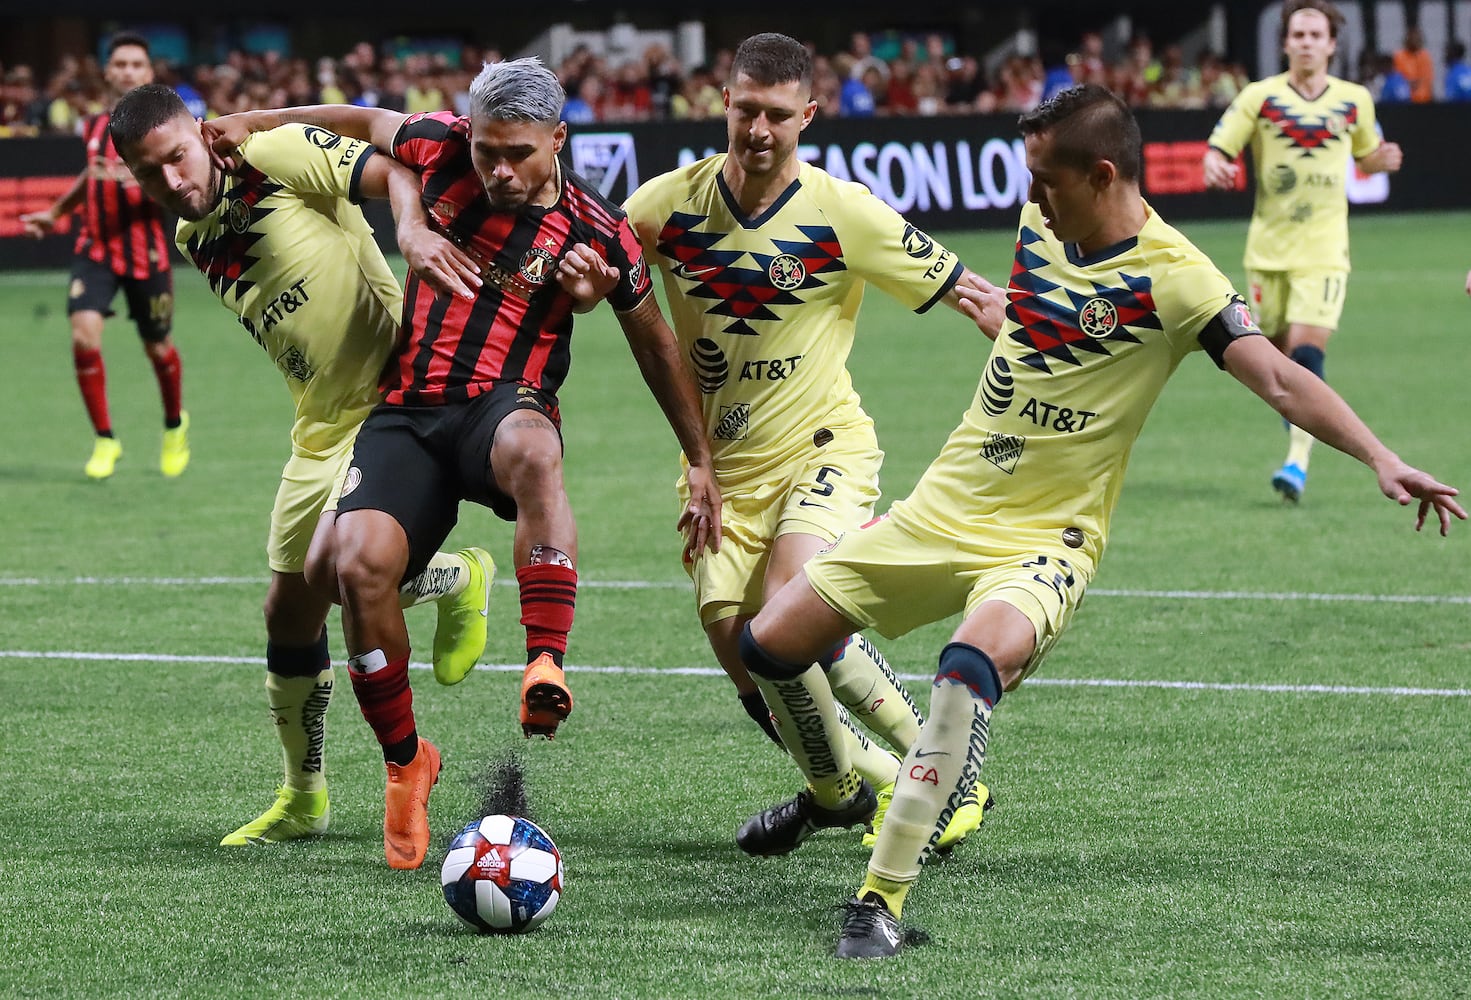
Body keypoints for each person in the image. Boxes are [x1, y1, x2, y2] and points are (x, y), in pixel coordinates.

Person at [733, 84, 1462, 958]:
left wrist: (1380, 456)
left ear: (1102, 174)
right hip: (941, 507)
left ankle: (878, 900)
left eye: (1046, 179)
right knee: (768, 645)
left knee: (966, 668)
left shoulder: (1178, 277)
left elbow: (1276, 377)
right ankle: (848, 789)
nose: (1031, 195)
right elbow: (1039, 323)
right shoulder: (1043, 224)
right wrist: (1008, 327)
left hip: (1047, 539)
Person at [203, 57, 721, 870]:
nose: (500, 170)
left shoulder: (598, 230)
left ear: (558, 139)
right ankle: (407, 761)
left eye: (518, 153)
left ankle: (545, 659)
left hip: (501, 406)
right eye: (486, 151)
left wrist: (698, 459)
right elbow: (357, 119)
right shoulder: (441, 148)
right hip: (406, 411)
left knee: (533, 451)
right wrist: (256, 123)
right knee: (351, 566)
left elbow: (653, 341)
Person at [624, 32, 1004, 855]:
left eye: (776, 115)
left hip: (822, 448)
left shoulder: (844, 212)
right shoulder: (664, 206)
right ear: (722, 102)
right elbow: (599, 270)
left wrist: (1034, 346)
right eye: (744, 109)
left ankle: (948, 779)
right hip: (722, 468)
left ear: (807, 115)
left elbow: (970, 293)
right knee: (740, 646)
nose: (758, 129)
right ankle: (837, 792)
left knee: (796, 603)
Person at [108, 82, 500, 850]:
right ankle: (303, 797)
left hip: (387, 403)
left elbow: (391, 171)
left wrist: (413, 235)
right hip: (317, 425)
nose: (171, 183)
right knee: (286, 615)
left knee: (337, 577)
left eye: (178, 158)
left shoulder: (269, 155)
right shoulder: (193, 236)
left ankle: (452, 588)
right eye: (149, 174)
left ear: (199, 134)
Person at [1202, 0, 1402, 503]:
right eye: (1299, 34)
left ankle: (1297, 462)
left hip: (1325, 251)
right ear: (1286, 42)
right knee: (1275, 363)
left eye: (1317, 34)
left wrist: (1382, 160)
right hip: (1267, 252)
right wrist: (1215, 166)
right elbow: (1218, 149)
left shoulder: (1354, 100)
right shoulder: (1260, 97)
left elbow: (1366, 156)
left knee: (1307, 356)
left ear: (1332, 44)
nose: (1308, 42)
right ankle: (1298, 443)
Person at [20, 33, 189, 480]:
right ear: (109, 72)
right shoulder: (95, 124)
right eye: (120, 64)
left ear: (149, 74)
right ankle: (105, 440)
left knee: (157, 347)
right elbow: (90, 174)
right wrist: (56, 211)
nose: (128, 71)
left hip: (145, 254)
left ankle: (174, 425)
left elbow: (184, 185)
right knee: (83, 336)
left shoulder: (165, 128)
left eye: (137, 64)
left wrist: (144, 183)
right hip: (95, 249)